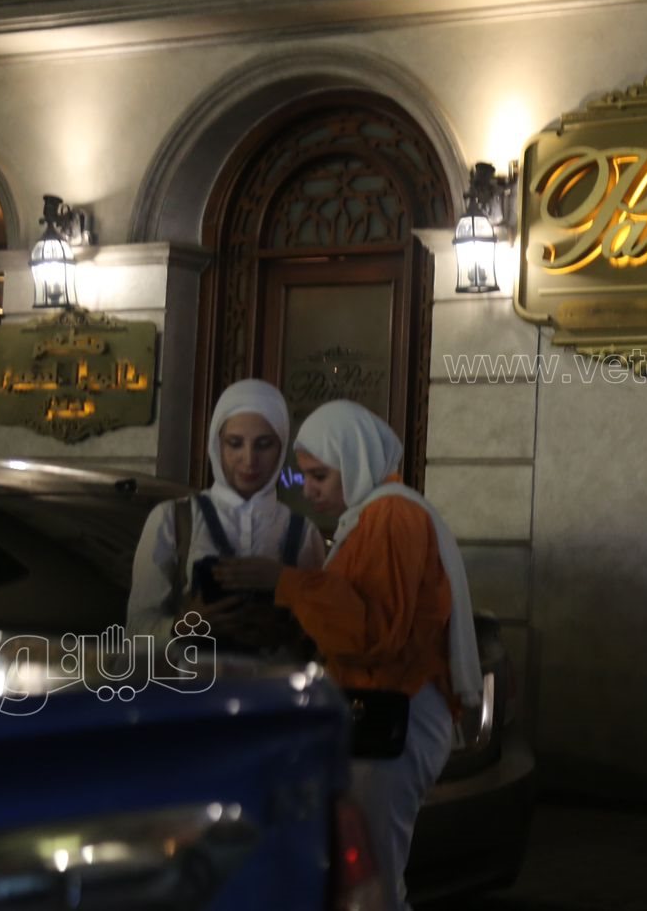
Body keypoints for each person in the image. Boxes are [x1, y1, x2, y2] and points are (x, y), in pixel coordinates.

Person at [215, 400, 482, 911]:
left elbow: (372, 631)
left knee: (376, 878)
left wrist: (287, 583)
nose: (309, 490)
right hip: (385, 712)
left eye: (320, 475)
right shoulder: (373, 516)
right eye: (305, 477)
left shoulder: (391, 516)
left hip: (393, 714)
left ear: (355, 461)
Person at [126, 378, 325, 648]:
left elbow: (323, 633)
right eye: (235, 443)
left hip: (274, 675)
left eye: (264, 444)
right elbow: (136, 630)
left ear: (281, 448)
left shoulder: (302, 532)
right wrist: (184, 626)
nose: (249, 459)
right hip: (189, 674)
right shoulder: (173, 519)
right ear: (216, 444)